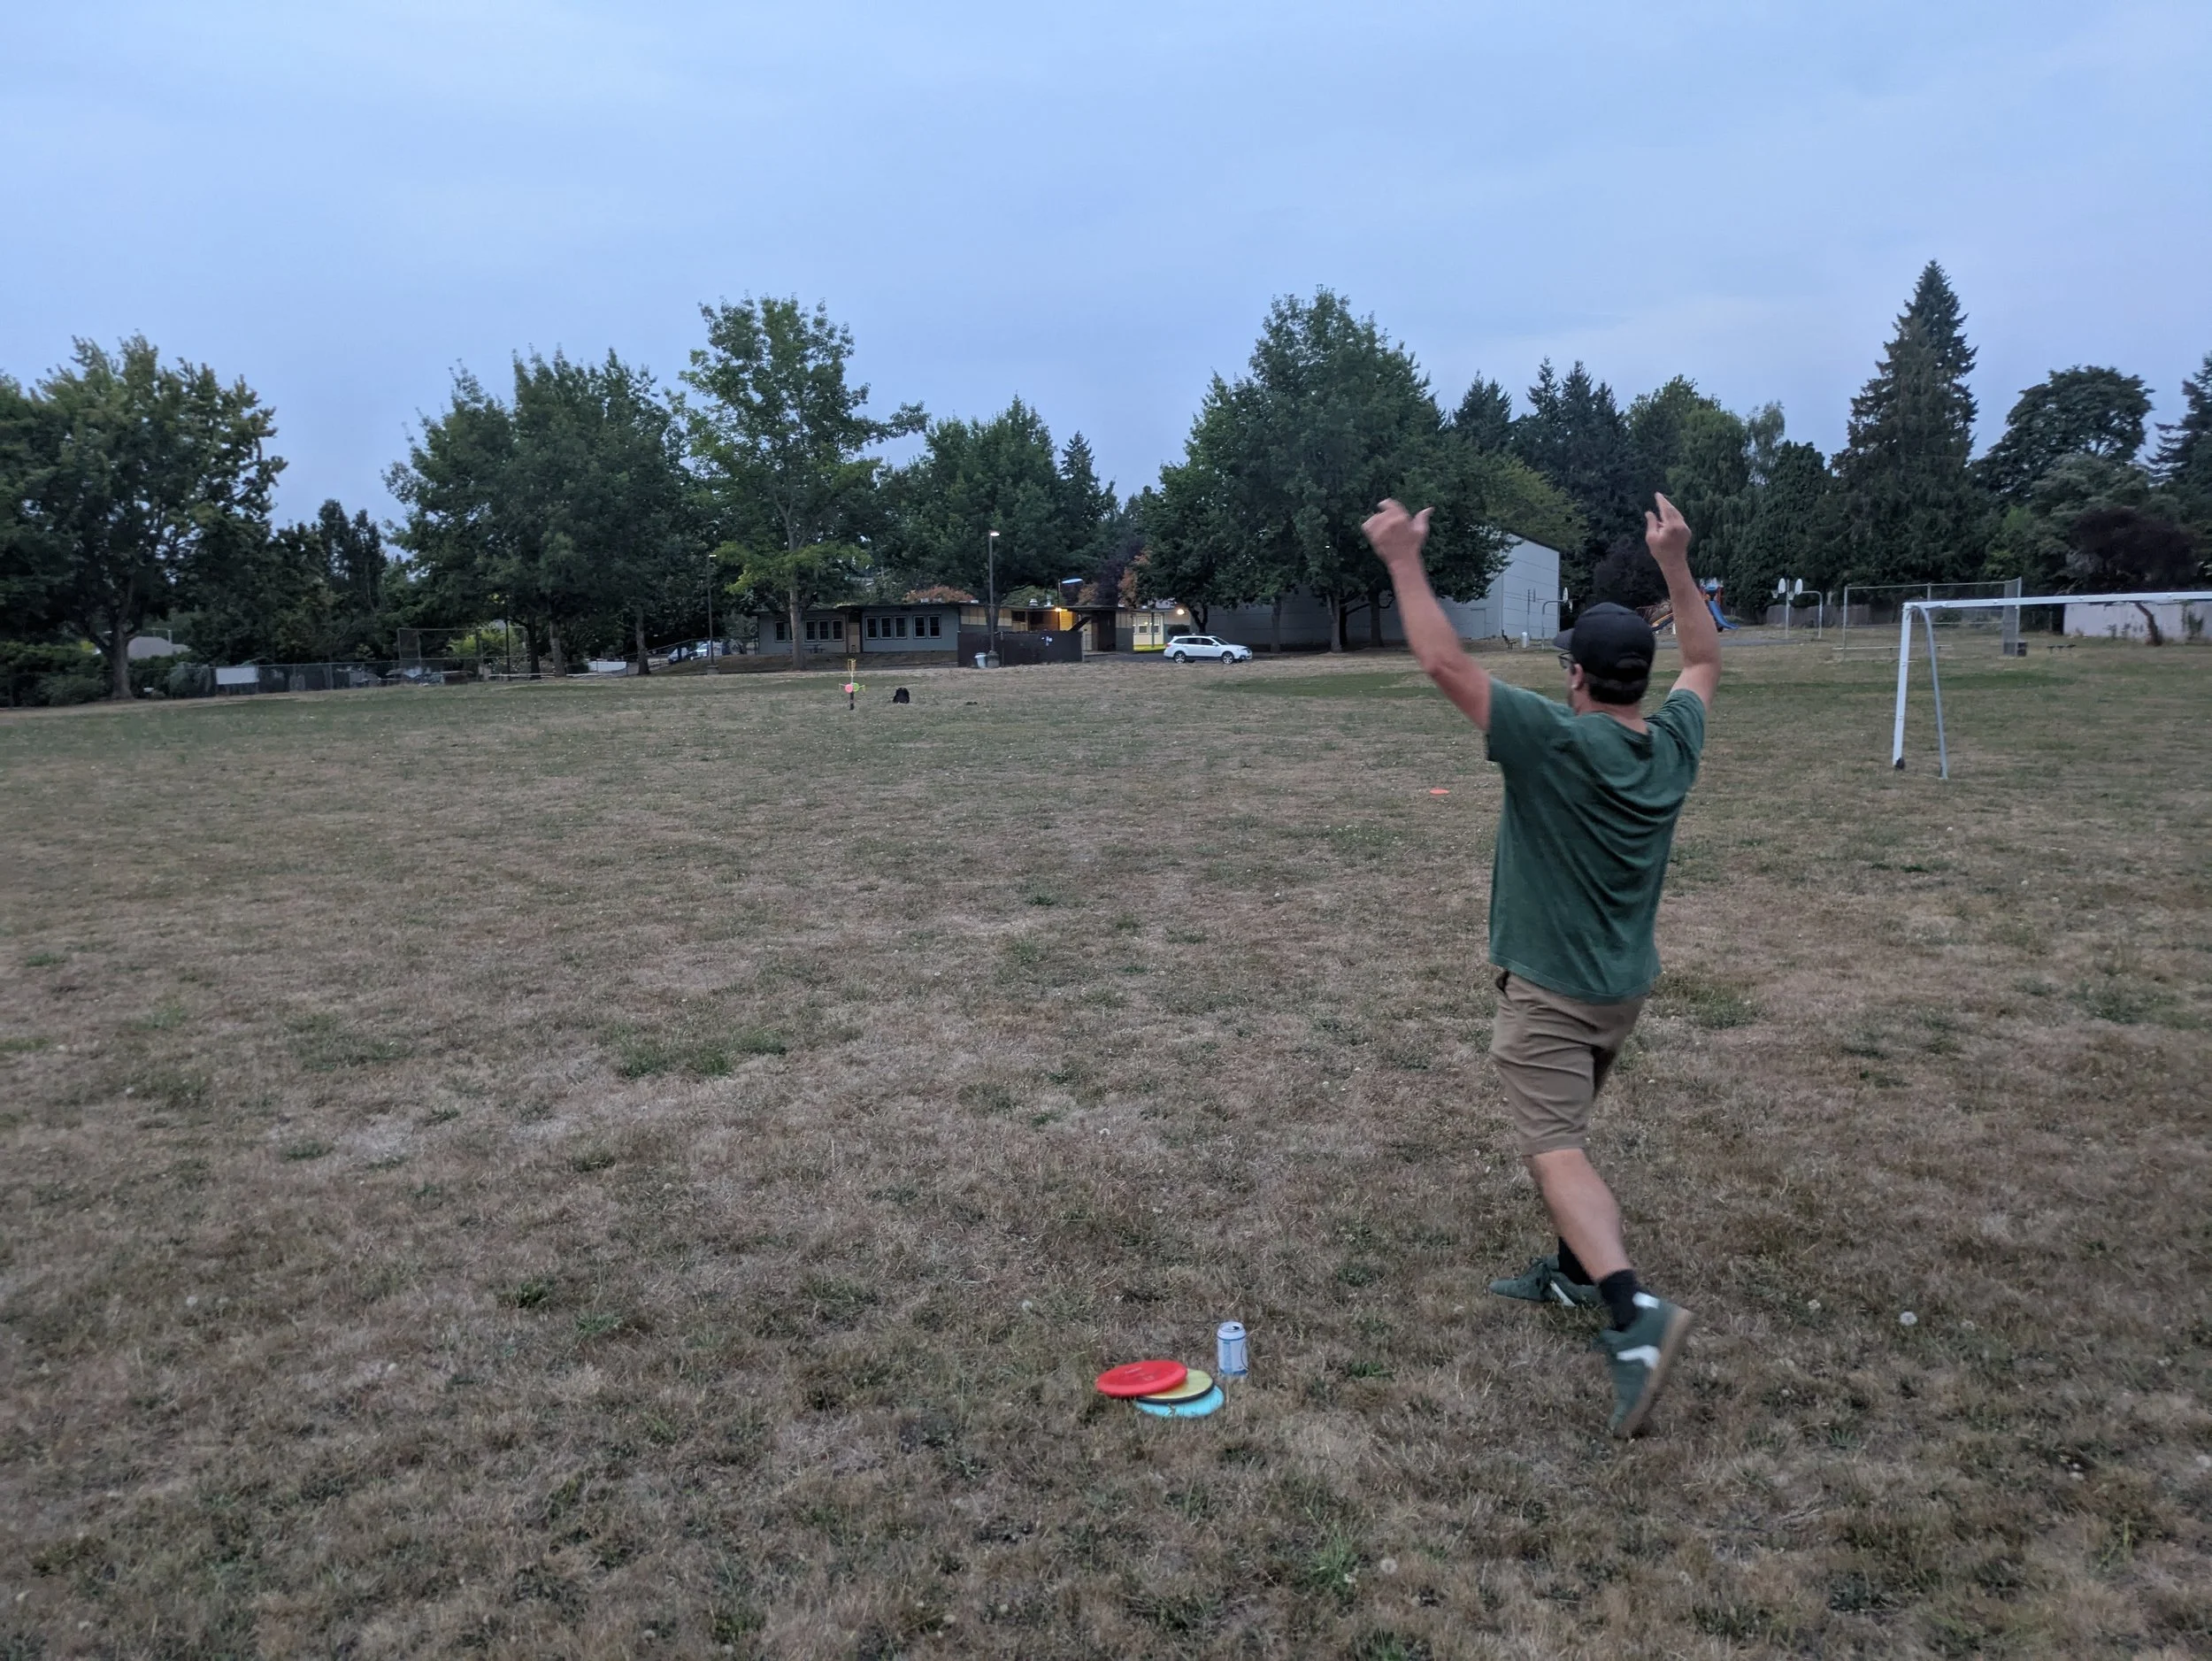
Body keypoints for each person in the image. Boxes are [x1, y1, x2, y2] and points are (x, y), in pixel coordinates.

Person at [1361, 492, 1720, 1437]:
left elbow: (1442, 661)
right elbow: (1706, 657)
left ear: (1572, 676)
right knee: (1568, 1126)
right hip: (1621, 987)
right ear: (1636, 678)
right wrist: (1676, 565)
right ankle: (1566, 1272)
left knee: (1554, 1144)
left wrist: (1402, 557)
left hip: (1554, 995)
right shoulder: (1672, 744)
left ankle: (1633, 1312)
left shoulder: (1553, 740)